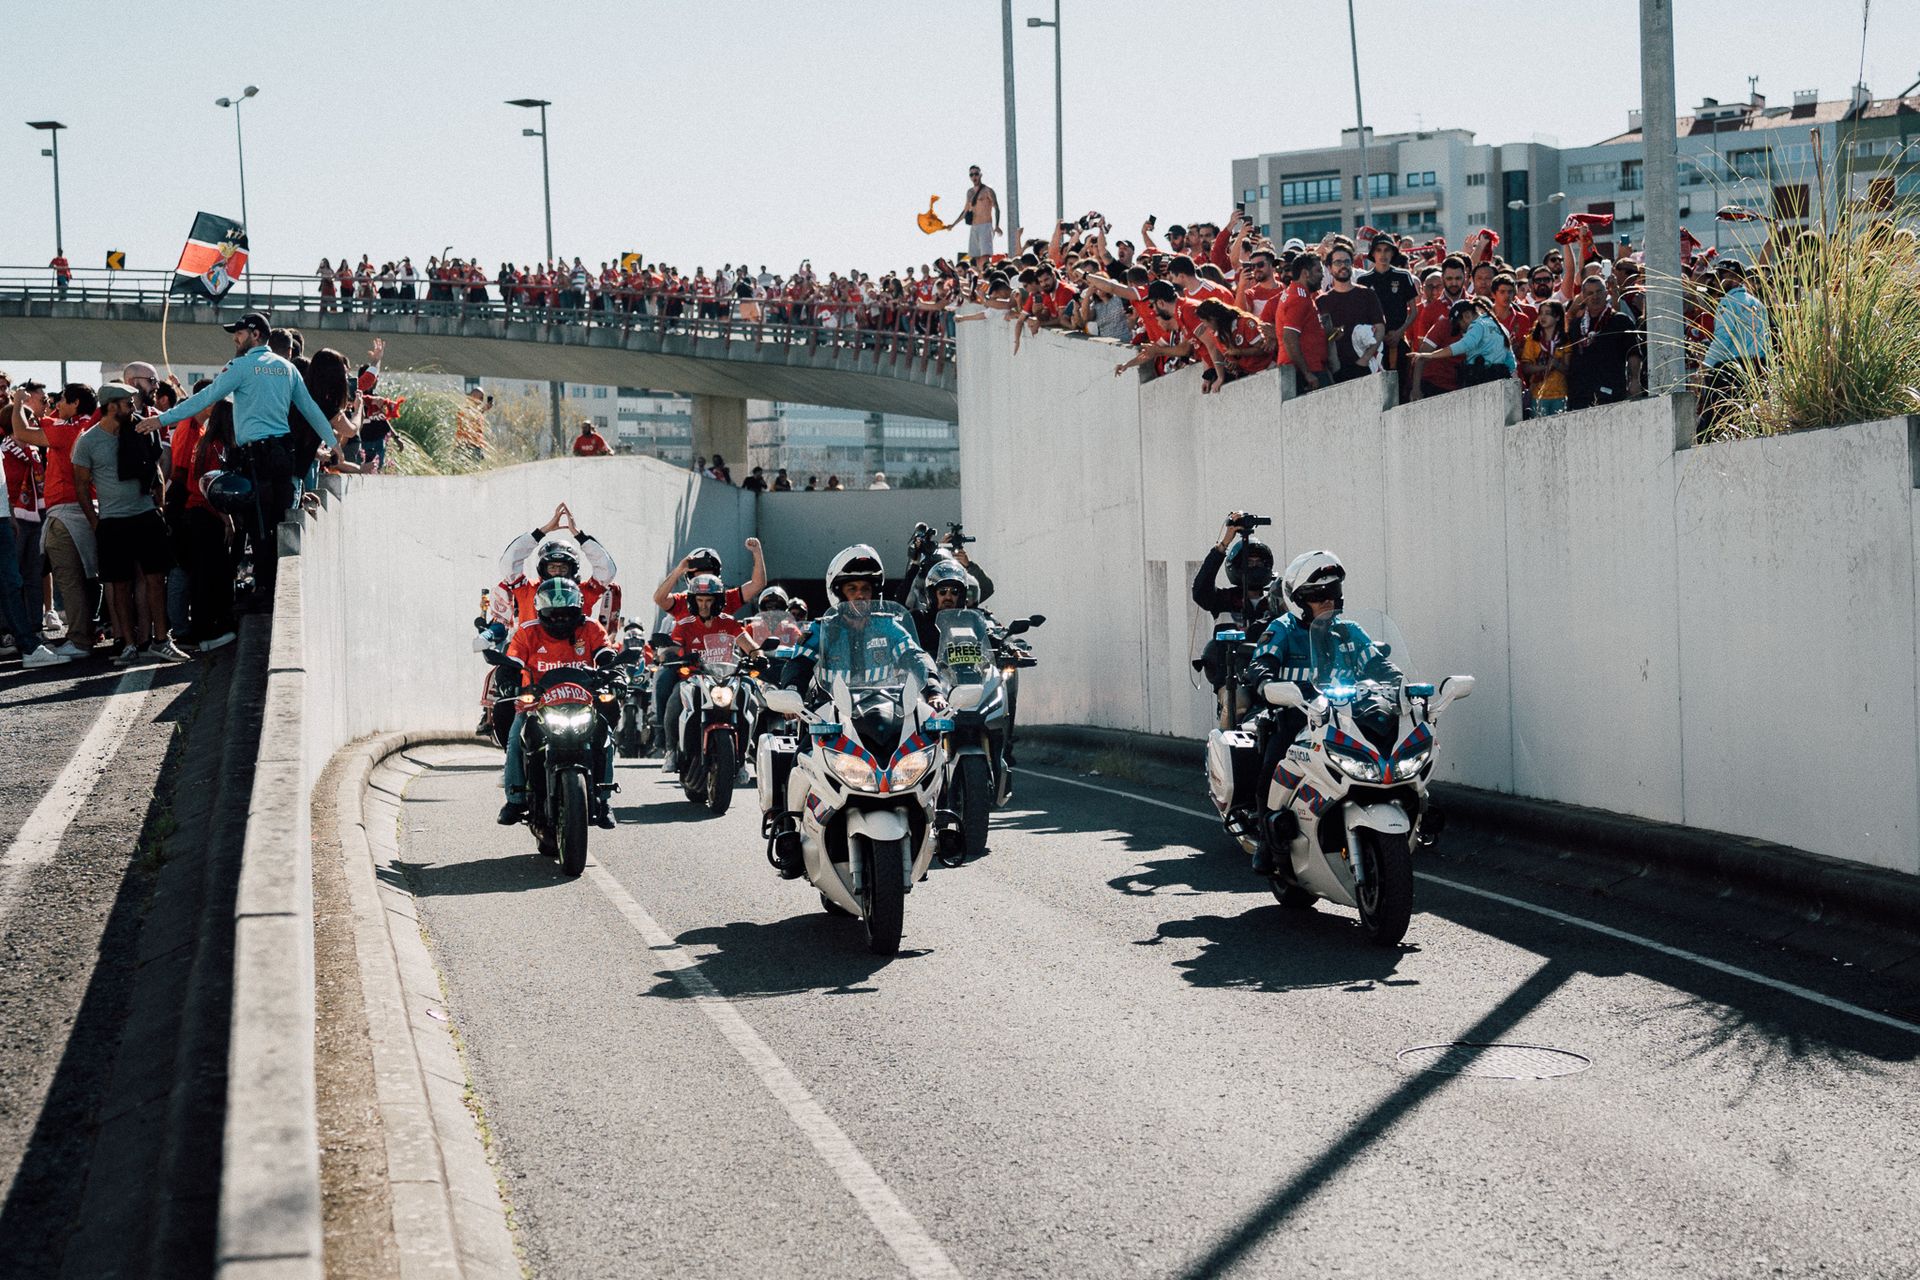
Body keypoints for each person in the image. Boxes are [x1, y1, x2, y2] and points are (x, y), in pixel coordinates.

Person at [769, 545, 944, 876]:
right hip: (831, 720)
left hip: (886, 715)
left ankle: (940, 824)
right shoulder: (822, 629)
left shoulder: (890, 626)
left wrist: (933, 690)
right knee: (798, 761)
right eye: (853, 588)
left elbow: (916, 656)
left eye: (866, 588)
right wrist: (792, 691)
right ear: (839, 592)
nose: (860, 595)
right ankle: (788, 832)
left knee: (931, 748)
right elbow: (800, 662)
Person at [150, 311, 338, 608]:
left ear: (255, 334)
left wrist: (162, 420)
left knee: (260, 527)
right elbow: (311, 409)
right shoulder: (286, 368)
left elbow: (205, 398)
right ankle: (276, 587)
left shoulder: (241, 366)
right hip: (282, 457)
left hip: (256, 458)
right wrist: (334, 442)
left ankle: (264, 591)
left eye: (238, 333)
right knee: (280, 523)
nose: (235, 338)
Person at [1240, 550, 1400, 874]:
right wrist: (1267, 683)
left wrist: (1400, 684)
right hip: (1298, 715)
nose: (1327, 601)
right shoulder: (1282, 628)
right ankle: (1269, 845)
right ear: (1299, 600)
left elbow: (1379, 665)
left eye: (1333, 593)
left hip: (1346, 716)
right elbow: (1261, 663)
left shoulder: (1350, 630)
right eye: (1317, 595)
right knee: (1273, 767)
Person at [70, 384, 187, 663]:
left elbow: (156, 470)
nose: (133, 407)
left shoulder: (141, 431)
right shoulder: (88, 441)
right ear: (112, 406)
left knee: (156, 578)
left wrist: (159, 506)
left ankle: (161, 640)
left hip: (146, 514)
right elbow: (81, 486)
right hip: (112, 521)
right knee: (120, 584)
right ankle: (129, 644)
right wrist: (95, 522)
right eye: (127, 403)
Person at [496, 577, 619, 829]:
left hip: (583, 702)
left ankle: (604, 800)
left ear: (578, 609)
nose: (559, 618)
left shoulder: (592, 629)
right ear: (541, 610)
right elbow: (511, 663)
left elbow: (606, 655)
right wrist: (508, 680)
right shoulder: (527, 631)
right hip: (536, 705)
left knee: (605, 738)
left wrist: (615, 675)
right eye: (553, 613)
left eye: (566, 613)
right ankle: (515, 799)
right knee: (515, 738)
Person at [11, 381, 101, 657]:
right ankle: (90, 630)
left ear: (75, 404)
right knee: (91, 576)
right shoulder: (93, 425)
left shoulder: (68, 429)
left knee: (69, 576)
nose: (57, 403)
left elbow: (21, 432)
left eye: (62, 399)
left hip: (66, 511)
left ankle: (79, 639)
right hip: (91, 508)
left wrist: (17, 404)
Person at [660, 573, 761, 773]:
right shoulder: (684, 624)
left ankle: (743, 754)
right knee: (674, 698)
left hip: (727, 678)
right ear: (692, 601)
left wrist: (758, 655)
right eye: (699, 600)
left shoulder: (729, 622)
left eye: (709, 600)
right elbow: (672, 648)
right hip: (694, 680)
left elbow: (749, 645)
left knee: (753, 701)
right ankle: (671, 750)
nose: (704, 605)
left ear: (718, 601)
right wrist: (669, 654)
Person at [1191, 512, 1277, 726]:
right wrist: (1226, 541)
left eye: (1259, 562)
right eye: (1249, 562)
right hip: (1234, 681)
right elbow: (1200, 589)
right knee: (1237, 701)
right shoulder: (1223, 599)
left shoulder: (1277, 603)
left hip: (1271, 677)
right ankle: (1227, 750)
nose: (1255, 567)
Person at [1699, 259, 1768, 433]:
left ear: (1733, 278)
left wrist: (1705, 366)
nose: (1714, 282)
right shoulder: (1758, 304)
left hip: (1731, 371)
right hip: (1758, 367)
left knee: (1715, 426)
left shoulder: (1729, 302)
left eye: (1719, 276)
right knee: (1750, 421)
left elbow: (1723, 338)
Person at [1563, 275, 1637, 410]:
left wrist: (1635, 380)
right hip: (1580, 394)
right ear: (1583, 296)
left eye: (1599, 291)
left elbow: (1634, 353)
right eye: (1590, 293)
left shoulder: (1620, 321)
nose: (1595, 297)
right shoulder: (1576, 325)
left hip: (1611, 391)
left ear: (1606, 293)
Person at [1410, 298, 1516, 391]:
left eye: (1460, 325)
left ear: (1466, 316)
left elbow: (1463, 345)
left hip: (1482, 378)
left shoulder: (1478, 325)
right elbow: (1511, 361)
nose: (1462, 330)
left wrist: (1430, 355)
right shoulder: (1501, 328)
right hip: (1501, 379)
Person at [1317, 246, 1387, 384]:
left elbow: (1380, 328)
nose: (1343, 266)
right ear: (1330, 268)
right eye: (1338, 262)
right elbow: (1321, 336)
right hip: (1336, 369)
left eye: (1347, 262)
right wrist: (1332, 335)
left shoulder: (1367, 294)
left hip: (1366, 365)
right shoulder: (1322, 301)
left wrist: (1365, 359)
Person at [1519, 302, 1571, 417]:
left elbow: (1568, 369)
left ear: (1557, 317)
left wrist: (1556, 364)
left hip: (1560, 393)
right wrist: (1544, 367)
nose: (1543, 317)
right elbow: (1526, 368)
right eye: (1541, 313)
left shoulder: (1564, 339)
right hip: (1538, 394)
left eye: (1548, 313)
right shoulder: (1533, 339)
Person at [951, 165, 1001, 262]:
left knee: (985, 255)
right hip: (974, 226)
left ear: (980, 175)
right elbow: (965, 211)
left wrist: (997, 225)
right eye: (971, 175)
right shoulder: (969, 192)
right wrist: (953, 225)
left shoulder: (988, 191)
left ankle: (986, 274)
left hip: (985, 225)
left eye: (976, 174)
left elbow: (997, 208)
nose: (974, 177)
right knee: (975, 257)